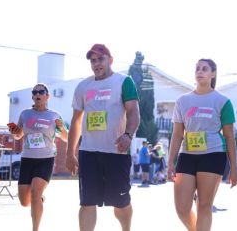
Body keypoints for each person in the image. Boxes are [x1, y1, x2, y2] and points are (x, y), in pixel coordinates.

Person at [66, 44, 140, 231]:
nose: (96, 63)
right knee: (87, 202)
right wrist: (70, 153)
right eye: (93, 60)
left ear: (110, 60)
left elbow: (133, 113)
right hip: (89, 152)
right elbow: (76, 121)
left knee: (120, 203)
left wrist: (128, 135)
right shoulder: (83, 86)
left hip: (116, 152)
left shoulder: (124, 81)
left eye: (101, 59)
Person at [167, 58, 237, 231]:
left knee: (204, 205)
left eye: (204, 69)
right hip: (187, 155)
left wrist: (234, 168)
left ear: (213, 73)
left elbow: (229, 137)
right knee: (182, 208)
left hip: (213, 155)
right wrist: (171, 162)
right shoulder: (182, 101)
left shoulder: (222, 101)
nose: (200, 72)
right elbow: (177, 134)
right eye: (197, 68)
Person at [8, 83, 68, 231]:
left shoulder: (54, 116)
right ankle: (39, 199)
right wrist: (14, 131)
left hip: (45, 159)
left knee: (35, 191)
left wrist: (62, 128)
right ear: (33, 97)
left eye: (41, 91)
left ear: (48, 96)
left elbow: (65, 137)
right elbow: (18, 136)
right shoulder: (25, 114)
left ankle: (35, 228)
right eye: (34, 92)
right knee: (24, 201)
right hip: (27, 159)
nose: (37, 94)